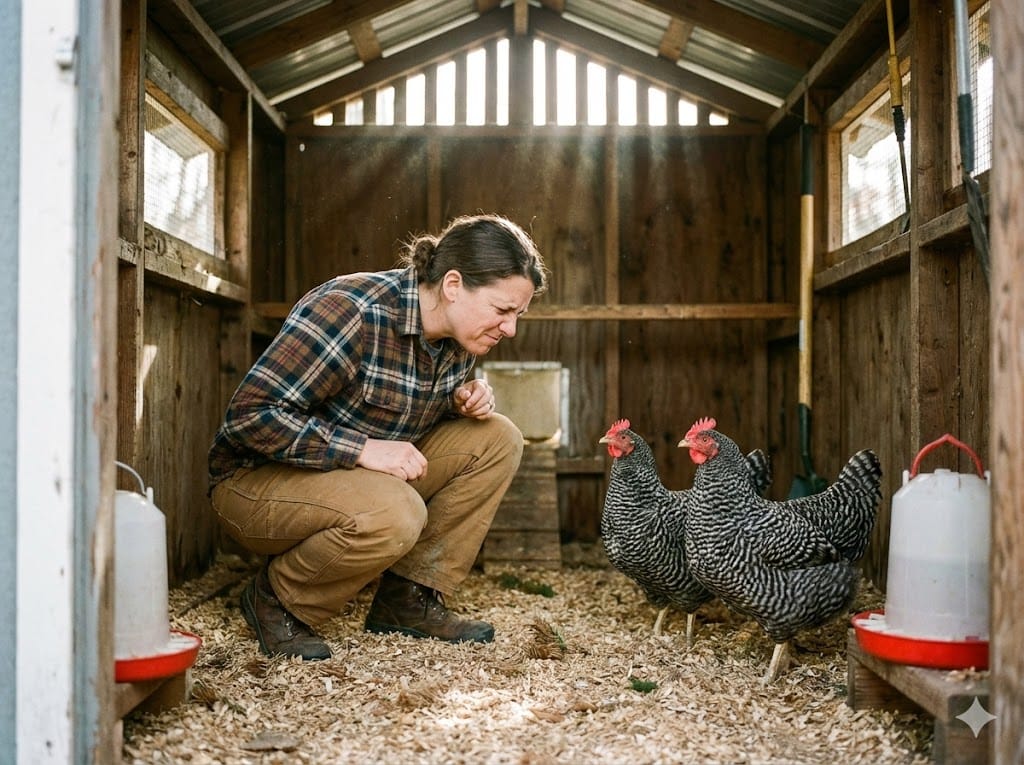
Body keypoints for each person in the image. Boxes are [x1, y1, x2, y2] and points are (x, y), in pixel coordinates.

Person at [208, 213, 548, 661]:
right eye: (502, 310)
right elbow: (250, 419)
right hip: (255, 486)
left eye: (518, 314)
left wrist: (461, 402)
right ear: (452, 285)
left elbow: (395, 412)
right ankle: (278, 599)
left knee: (498, 436)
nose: (510, 329)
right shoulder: (352, 310)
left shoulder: (457, 337)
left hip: (350, 483)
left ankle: (407, 598)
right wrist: (364, 450)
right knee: (396, 510)